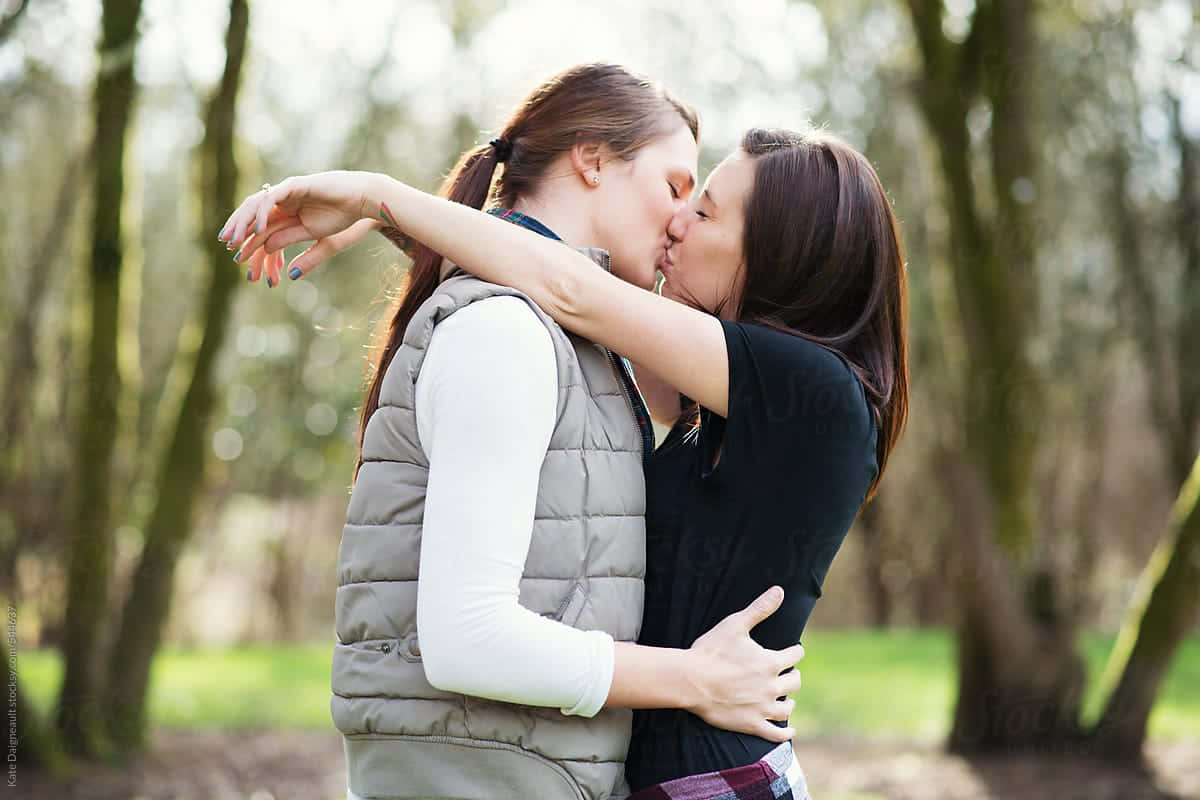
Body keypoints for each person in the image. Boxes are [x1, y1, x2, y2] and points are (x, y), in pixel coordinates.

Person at [221, 64, 810, 800]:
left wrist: (397, 219)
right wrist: (692, 680)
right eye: (674, 187)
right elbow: (468, 639)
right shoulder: (504, 333)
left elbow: (571, 288)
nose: (679, 222)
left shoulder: (572, 343)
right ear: (592, 159)